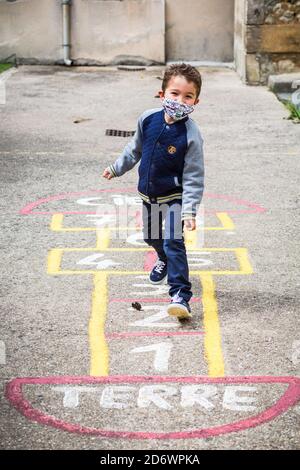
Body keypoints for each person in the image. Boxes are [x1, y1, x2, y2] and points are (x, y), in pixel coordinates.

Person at [102, 63, 204, 319]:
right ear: (162, 94)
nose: (180, 100)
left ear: (196, 101)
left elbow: (193, 175)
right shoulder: (148, 118)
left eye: (188, 96)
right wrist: (116, 168)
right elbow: (134, 149)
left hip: (174, 199)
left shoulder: (191, 134)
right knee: (151, 238)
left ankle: (181, 294)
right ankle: (163, 258)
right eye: (174, 93)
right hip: (148, 196)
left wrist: (189, 210)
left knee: (174, 241)